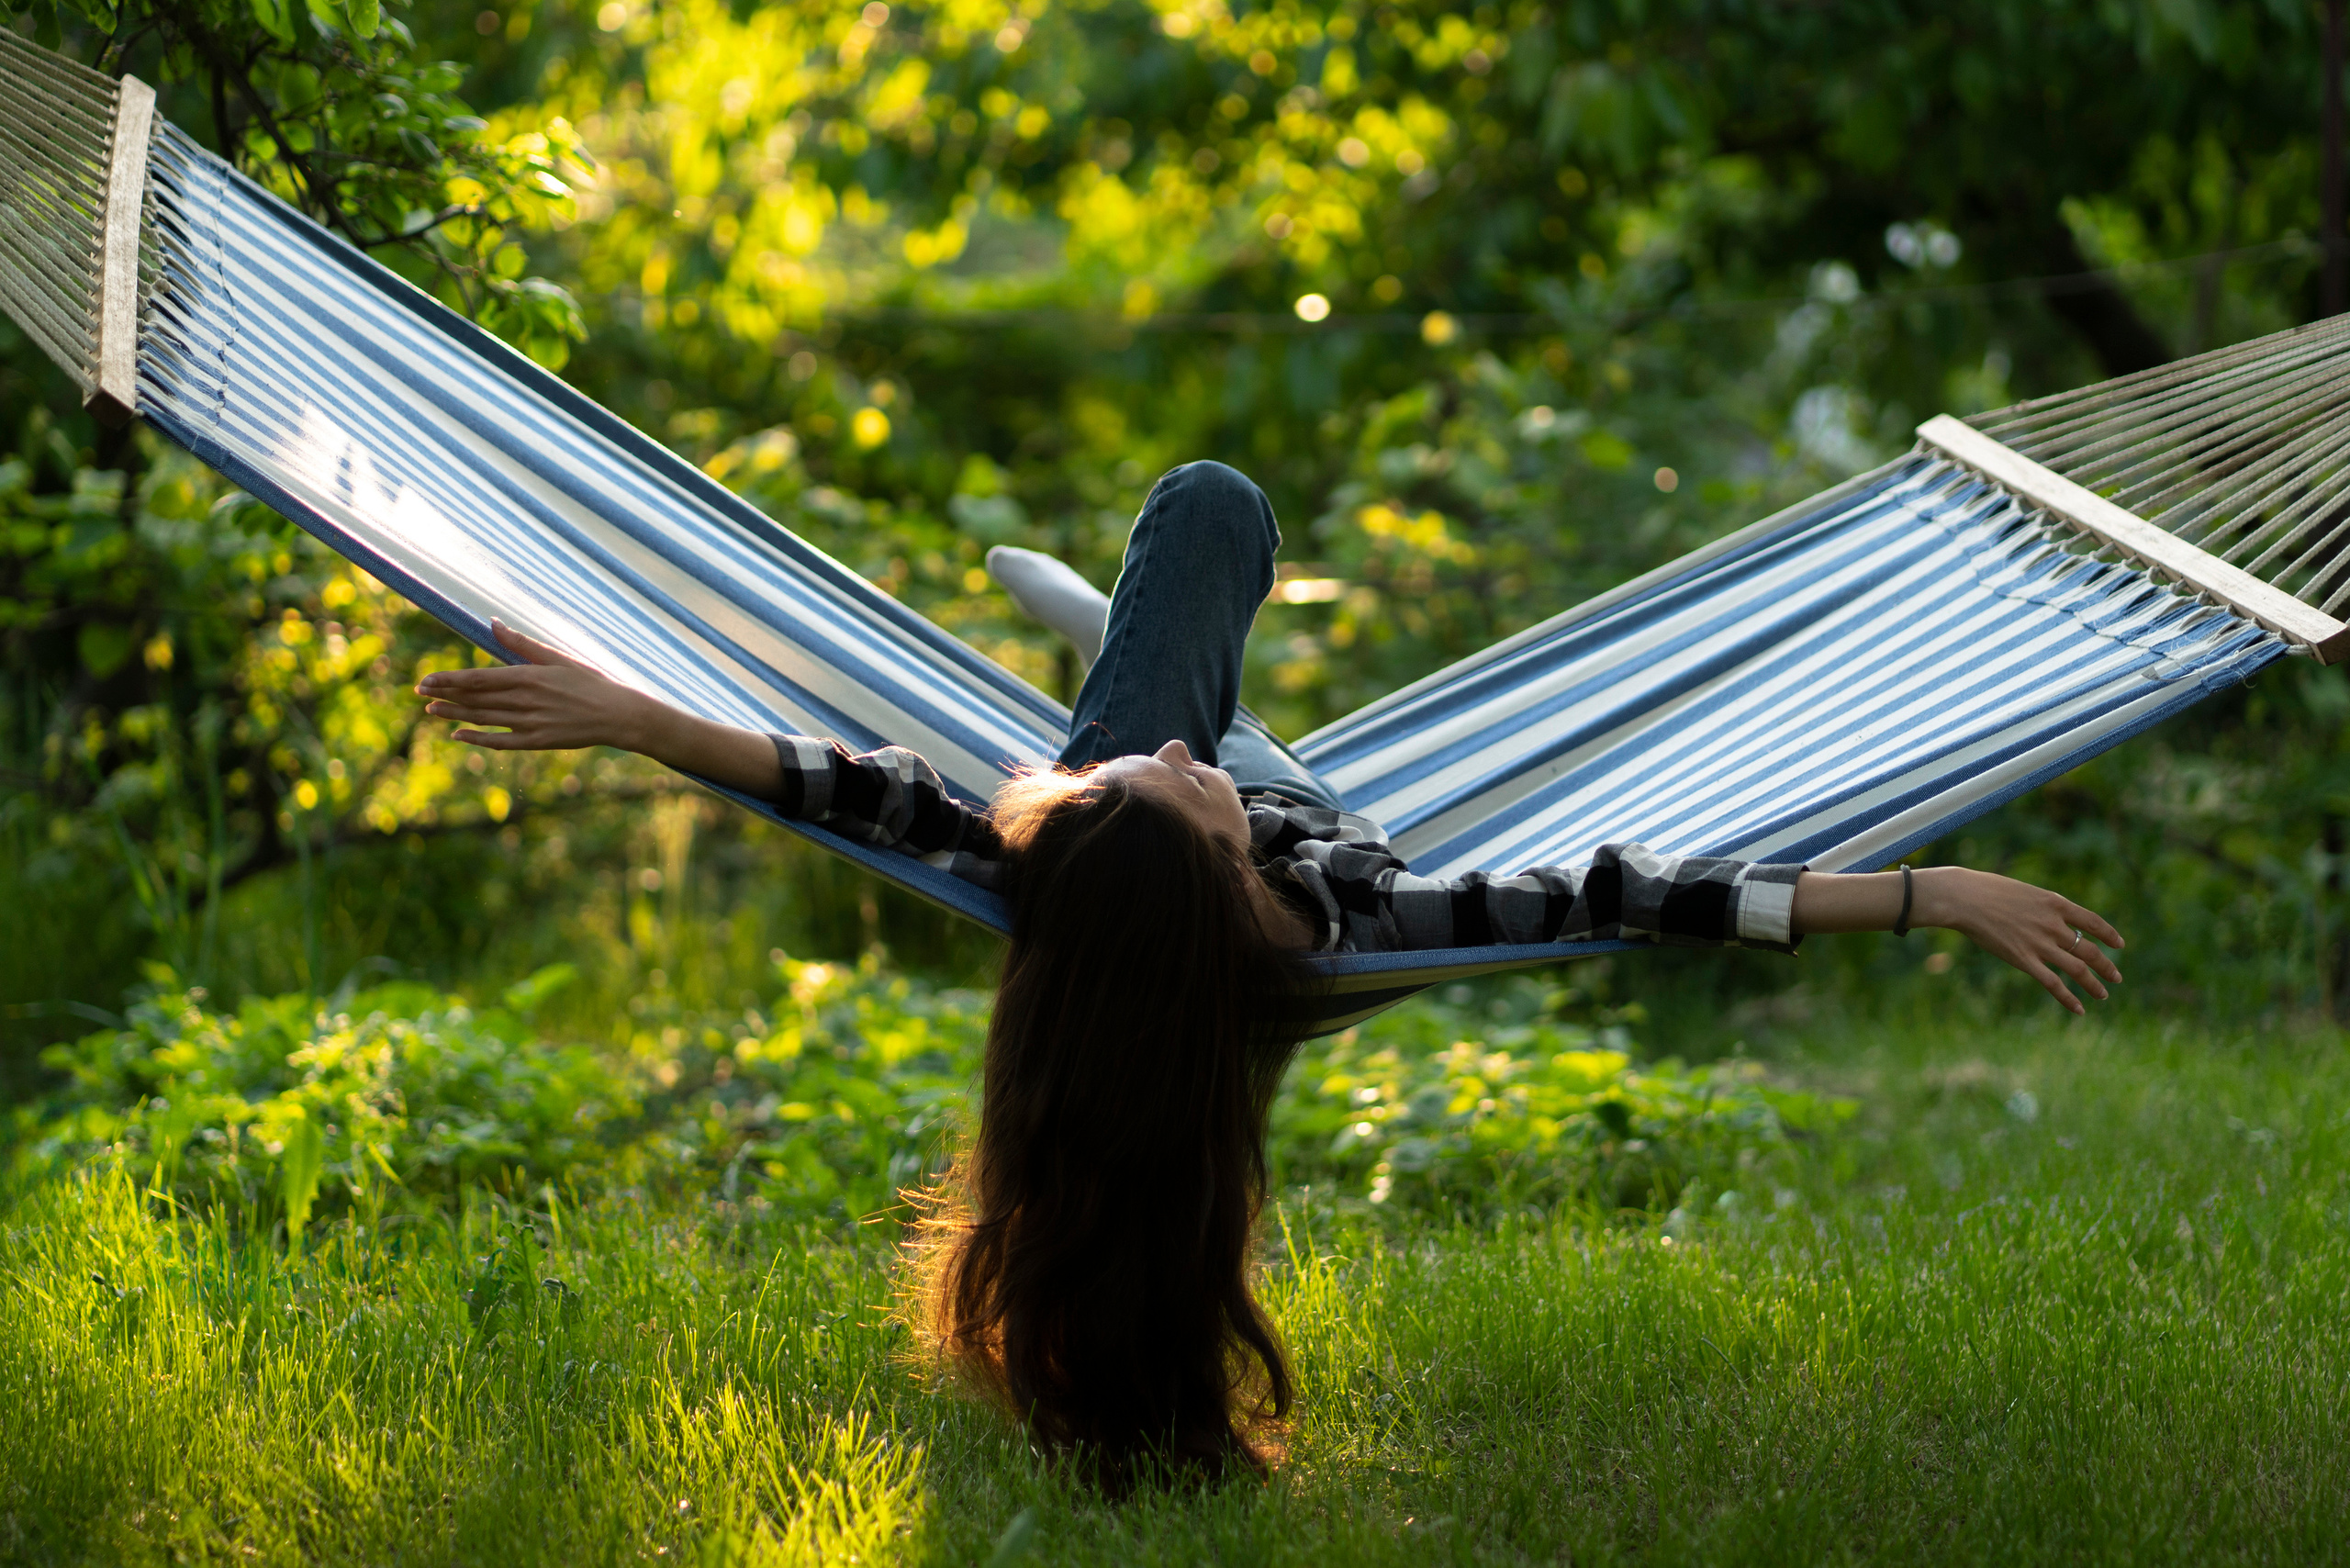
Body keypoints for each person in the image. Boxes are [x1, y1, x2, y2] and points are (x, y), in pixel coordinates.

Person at [414, 460, 2123, 1487]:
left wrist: (631, 715)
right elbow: (1634, 889)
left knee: (1131, 663)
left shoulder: (1069, 854)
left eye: (1173, 768)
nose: (1182, 764)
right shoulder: (1348, 916)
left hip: (1090, 846)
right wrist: (1927, 891)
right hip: (1321, 816)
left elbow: (839, 780)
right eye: (1188, 783)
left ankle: (1113, 645)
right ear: (1242, 870)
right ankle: (1148, 647)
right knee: (1220, 518)